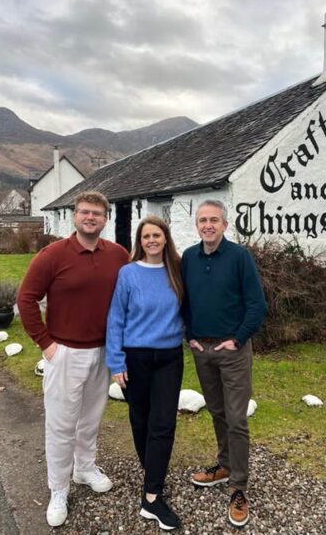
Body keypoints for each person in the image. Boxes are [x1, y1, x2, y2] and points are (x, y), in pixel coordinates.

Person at [17, 191, 129, 527]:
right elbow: (26, 298)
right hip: (64, 352)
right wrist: (46, 343)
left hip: (103, 352)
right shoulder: (53, 255)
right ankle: (58, 489)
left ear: (105, 218)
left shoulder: (119, 255)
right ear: (75, 216)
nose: (90, 217)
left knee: (90, 420)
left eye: (97, 213)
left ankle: (84, 469)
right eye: (84, 212)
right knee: (61, 424)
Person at [181, 199, 267, 528]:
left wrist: (239, 338)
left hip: (232, 350)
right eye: (203, 220)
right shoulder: (189, 257)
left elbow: (257, 304)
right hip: (202, 350)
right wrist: (190, 335)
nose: (208, 225)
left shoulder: (239, 257)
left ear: (225, 225)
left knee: (236, 419)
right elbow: (184, 298)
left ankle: (239, 487)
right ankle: (224, 465)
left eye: (214, 220)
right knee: (217, 412)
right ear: (197, 225)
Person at [106, 215, 184, 531]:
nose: (151, 240)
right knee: (140, 420)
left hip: (169, 358)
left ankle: (151, 496)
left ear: (166, 239)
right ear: (140, 241)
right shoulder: (128, 274)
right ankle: (153, 472)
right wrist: (116, 362)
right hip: (134, 358)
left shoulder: (177, 271)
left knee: (163, 423)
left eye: (157, 235)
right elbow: (116, 319)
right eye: (146, 236)